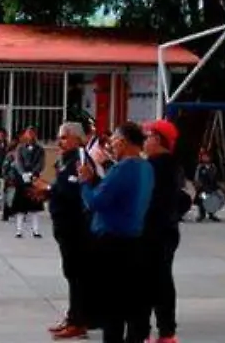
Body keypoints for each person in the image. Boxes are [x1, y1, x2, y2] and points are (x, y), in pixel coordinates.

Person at [82, 123, 153, 343]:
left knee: (112, 306)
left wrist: (85, 182)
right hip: (134, 240)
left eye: (113, 141)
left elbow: (95, 202)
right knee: (131, 301)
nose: (111, 145)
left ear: (122, 141)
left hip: (112, 242)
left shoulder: (122, 169)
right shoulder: (146, 167)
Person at [135, 119, 183, 343]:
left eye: (146, 137)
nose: (143, 142)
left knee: (153, 283)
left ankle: (161, 332)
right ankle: (164, 331)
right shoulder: (168, 165)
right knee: (158, 281)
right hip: (163, 231)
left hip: (154, 233)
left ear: (157, 139)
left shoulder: (157, 166)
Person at [48, 123, 93, 340]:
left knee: (77, 275)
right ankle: (73, 315)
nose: (60, 141)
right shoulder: (65, 159)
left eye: (65, 137)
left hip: (76, 227)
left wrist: (49, 189)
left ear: (77, 139)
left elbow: (75, 190)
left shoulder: (81, 159)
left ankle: (79, 321)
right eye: (59, 137)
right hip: (64, 226)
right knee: (71, 273)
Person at [11, 127, 47, 238]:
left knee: (35, 207)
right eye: (28, 133)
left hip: (34, 179)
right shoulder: (20, 148)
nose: (31, 135)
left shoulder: (40, 149)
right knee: (20, 207)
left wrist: (34, 173)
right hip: (22, 180)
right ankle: (19, 230)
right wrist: (23, 173)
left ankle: (35, 230)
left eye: (33, 133)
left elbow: (41, 163)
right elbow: (18, 162)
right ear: (25, 135)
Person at [193, 151, 221, 222]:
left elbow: (216, 177)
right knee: (202, 200)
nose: (205, 158)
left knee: (212, 201)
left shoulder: (213, 167)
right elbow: (196, 178)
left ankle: (211, 214)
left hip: (211, 188)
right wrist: (198, 186)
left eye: (206, 157)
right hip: (202, 188)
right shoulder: (200, 167)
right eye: (204, 157)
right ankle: (202, 215)